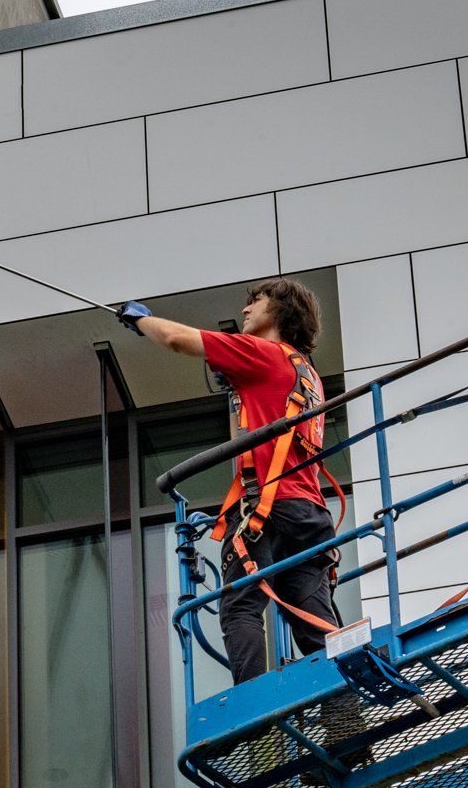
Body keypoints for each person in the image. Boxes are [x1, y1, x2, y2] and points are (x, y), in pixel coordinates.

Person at [118, 279, 342, 684]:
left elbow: (175, 339)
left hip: (266, 510)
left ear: (280, 310)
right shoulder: (306, 374)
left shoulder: (261, 352)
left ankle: (254, 710)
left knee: (241, 606)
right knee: (314, 622)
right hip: (309, 515)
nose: (245, 310)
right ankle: (343, 710)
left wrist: (142, 321)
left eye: (257, 301)